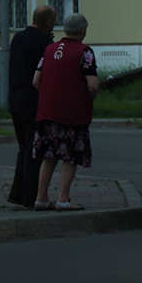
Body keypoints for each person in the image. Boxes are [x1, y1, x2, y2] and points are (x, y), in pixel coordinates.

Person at [31, 12, 99, 210]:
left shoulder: (49, 49)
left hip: (47, 111)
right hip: (72, 114)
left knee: (48, 155)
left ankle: (41, 199)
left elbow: (36, 81)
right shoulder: (84, 51)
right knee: (70, 155)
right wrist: (88, 100)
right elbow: (93, 85)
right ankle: (63, 199)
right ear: (82, 30)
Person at [6, 5, 57, 207]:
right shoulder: (45, 43)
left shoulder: (17, 38)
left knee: (24, 148)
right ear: (49, 23)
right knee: (34, 150)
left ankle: (16, 193)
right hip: (33, 101)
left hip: (15, 99)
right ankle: (30, 197)